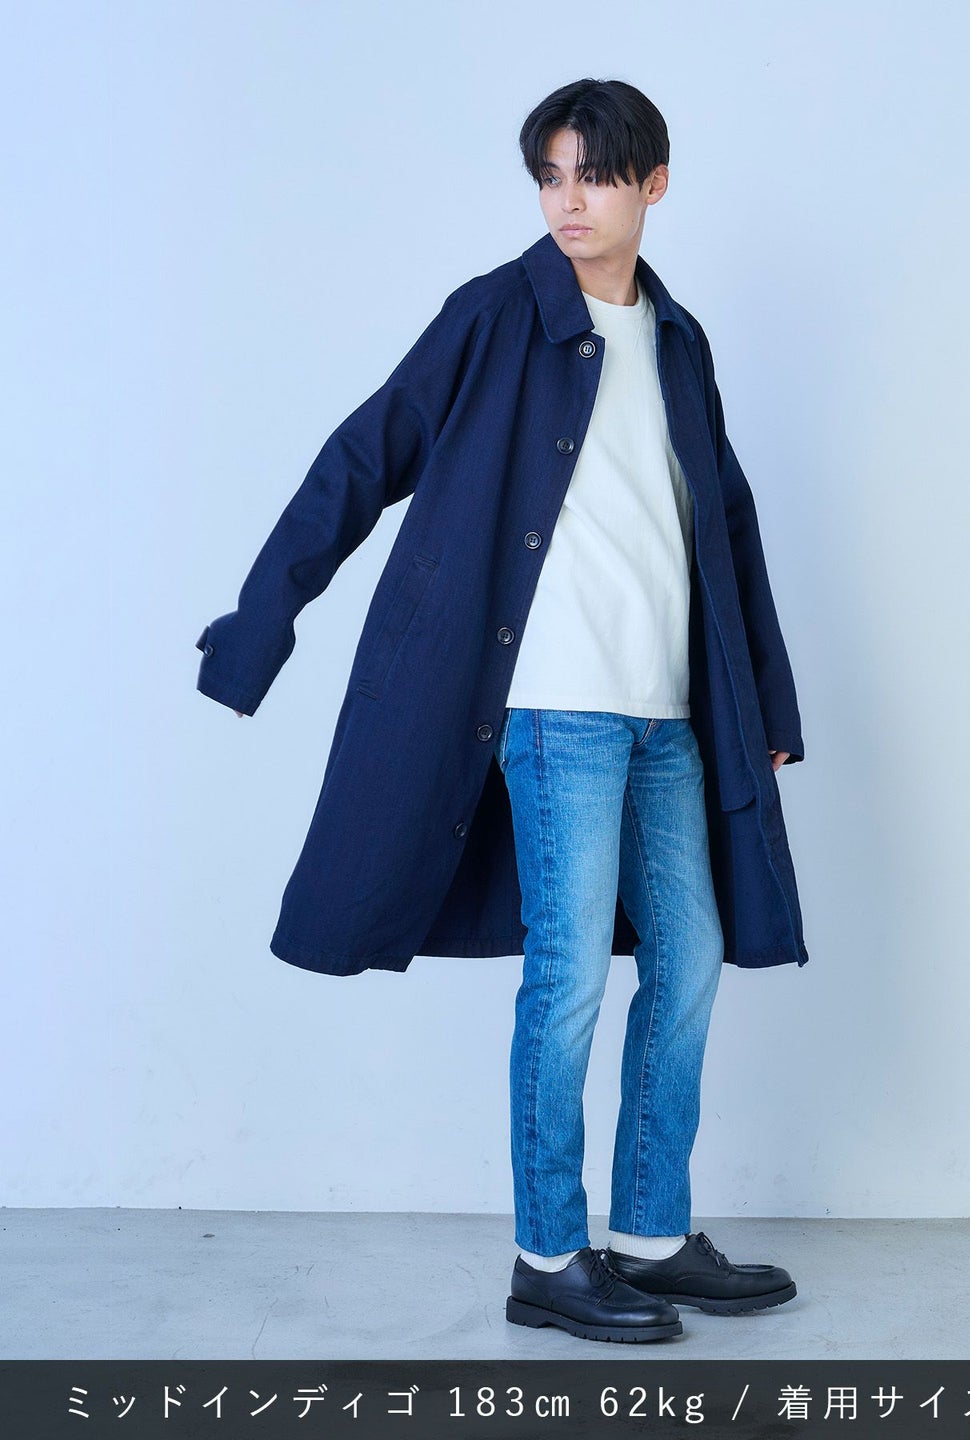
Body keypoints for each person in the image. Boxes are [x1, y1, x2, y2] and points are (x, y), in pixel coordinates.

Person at [198, 76, 804, 1346]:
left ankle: (650, 1234)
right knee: (569, 975)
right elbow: (363, 455)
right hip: (553, 709)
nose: (568, 201)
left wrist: (767, 701)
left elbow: (727, 531)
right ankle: (548, 1255)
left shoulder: (678, 341)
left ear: (654, 183)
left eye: (595, 175)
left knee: (690, 960)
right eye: (550, 176)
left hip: (668, 713)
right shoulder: (495, 314)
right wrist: (262, 621)